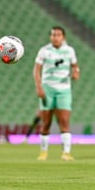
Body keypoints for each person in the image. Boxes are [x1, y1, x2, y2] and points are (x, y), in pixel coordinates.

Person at [34, 26, 80, 161]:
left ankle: (66, 153)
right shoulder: (44, 51)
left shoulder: (69, 50)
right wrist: (39, 87)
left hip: (64, 90)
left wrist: (76, 72)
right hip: (48, 88)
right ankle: (43, 152)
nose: (55, 37)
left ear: (63, 37)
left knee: (64, 121)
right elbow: (36, 70)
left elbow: (75, 65)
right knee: (46, 122)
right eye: (53, 35)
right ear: (50, 37)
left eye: (58, 35)